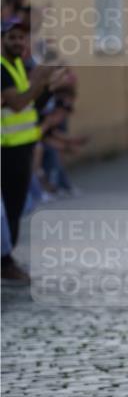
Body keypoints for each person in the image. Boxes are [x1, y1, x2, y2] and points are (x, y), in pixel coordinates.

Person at [0, 19, 65, 282]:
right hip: (7, 150)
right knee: (9, 209)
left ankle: (7, 259)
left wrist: (47, 85)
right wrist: (40, 79)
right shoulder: (3, 68)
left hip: (22, 146)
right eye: (12, 37)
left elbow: (31, 106)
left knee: (16, 208)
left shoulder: (17, 65)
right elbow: (17, 103)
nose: (18, 42)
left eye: (22, 38)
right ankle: (5, 262)